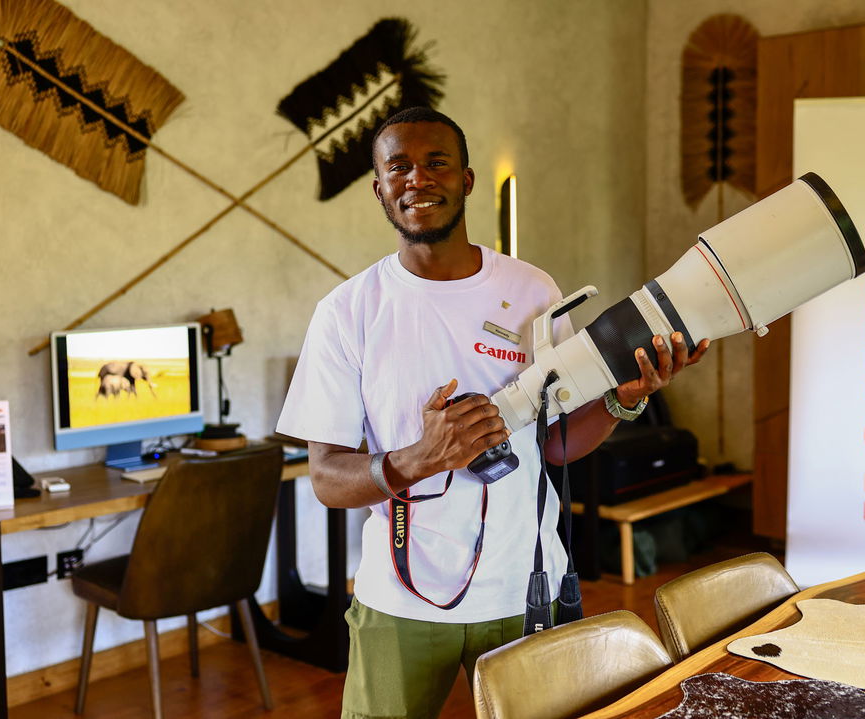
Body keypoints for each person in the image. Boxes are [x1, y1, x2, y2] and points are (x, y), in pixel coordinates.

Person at [276, 106, 708, 719]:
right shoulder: (348, 312)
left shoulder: (533, 291)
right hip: (399, 601)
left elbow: (555, 445)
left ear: (467, 180)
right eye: (398, 167)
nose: (417, 179)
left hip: (524, 585)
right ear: (379, 189)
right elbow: (325, 478)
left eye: (437, 163)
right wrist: (415, 461)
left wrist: (624, 399)